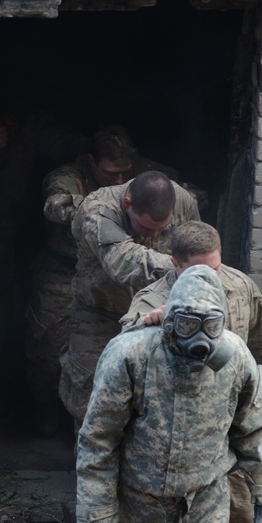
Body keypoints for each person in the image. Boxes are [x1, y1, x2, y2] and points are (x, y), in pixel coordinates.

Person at [77, 265, 262, 523]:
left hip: (204, 503)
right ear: (168, 319)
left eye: (211, 325)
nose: (199, 337)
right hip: (137, 505)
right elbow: (99, 439)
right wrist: (98, 516)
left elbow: (254, 431)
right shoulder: (131, 355)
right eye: (187, 324)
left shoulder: (235, 359)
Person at [120, 221, 262, 523]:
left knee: (241, 519)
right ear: (174, 265)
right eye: (198, 269)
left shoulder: (241, 286)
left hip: (231, 426)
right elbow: (125, 350)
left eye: (214, 268)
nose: (210, 277)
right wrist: (154, 322)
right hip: (176, 438)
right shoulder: (153, 300)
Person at [26, 125, 178, 437]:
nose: (120, 181)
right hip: (63, 272)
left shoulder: (144, 175)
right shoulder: (70, 176)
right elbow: (56, 206)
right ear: (93, 163)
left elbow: (177, 192)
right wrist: (103, 206)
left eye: (126, 173)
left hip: (116, 276)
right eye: (111, 173)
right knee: (47, 350)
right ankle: (42, 409)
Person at [59, 169, 201, 426]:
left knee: (155, 396)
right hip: (99, 313)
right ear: (128, 204)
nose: (155, 235)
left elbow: (198, 247)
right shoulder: (98, 210)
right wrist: (181, 268)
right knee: (90, 401)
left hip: (156, 316)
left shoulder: (184, 202)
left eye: (163, 228)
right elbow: (122, 261)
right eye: (146, 227)